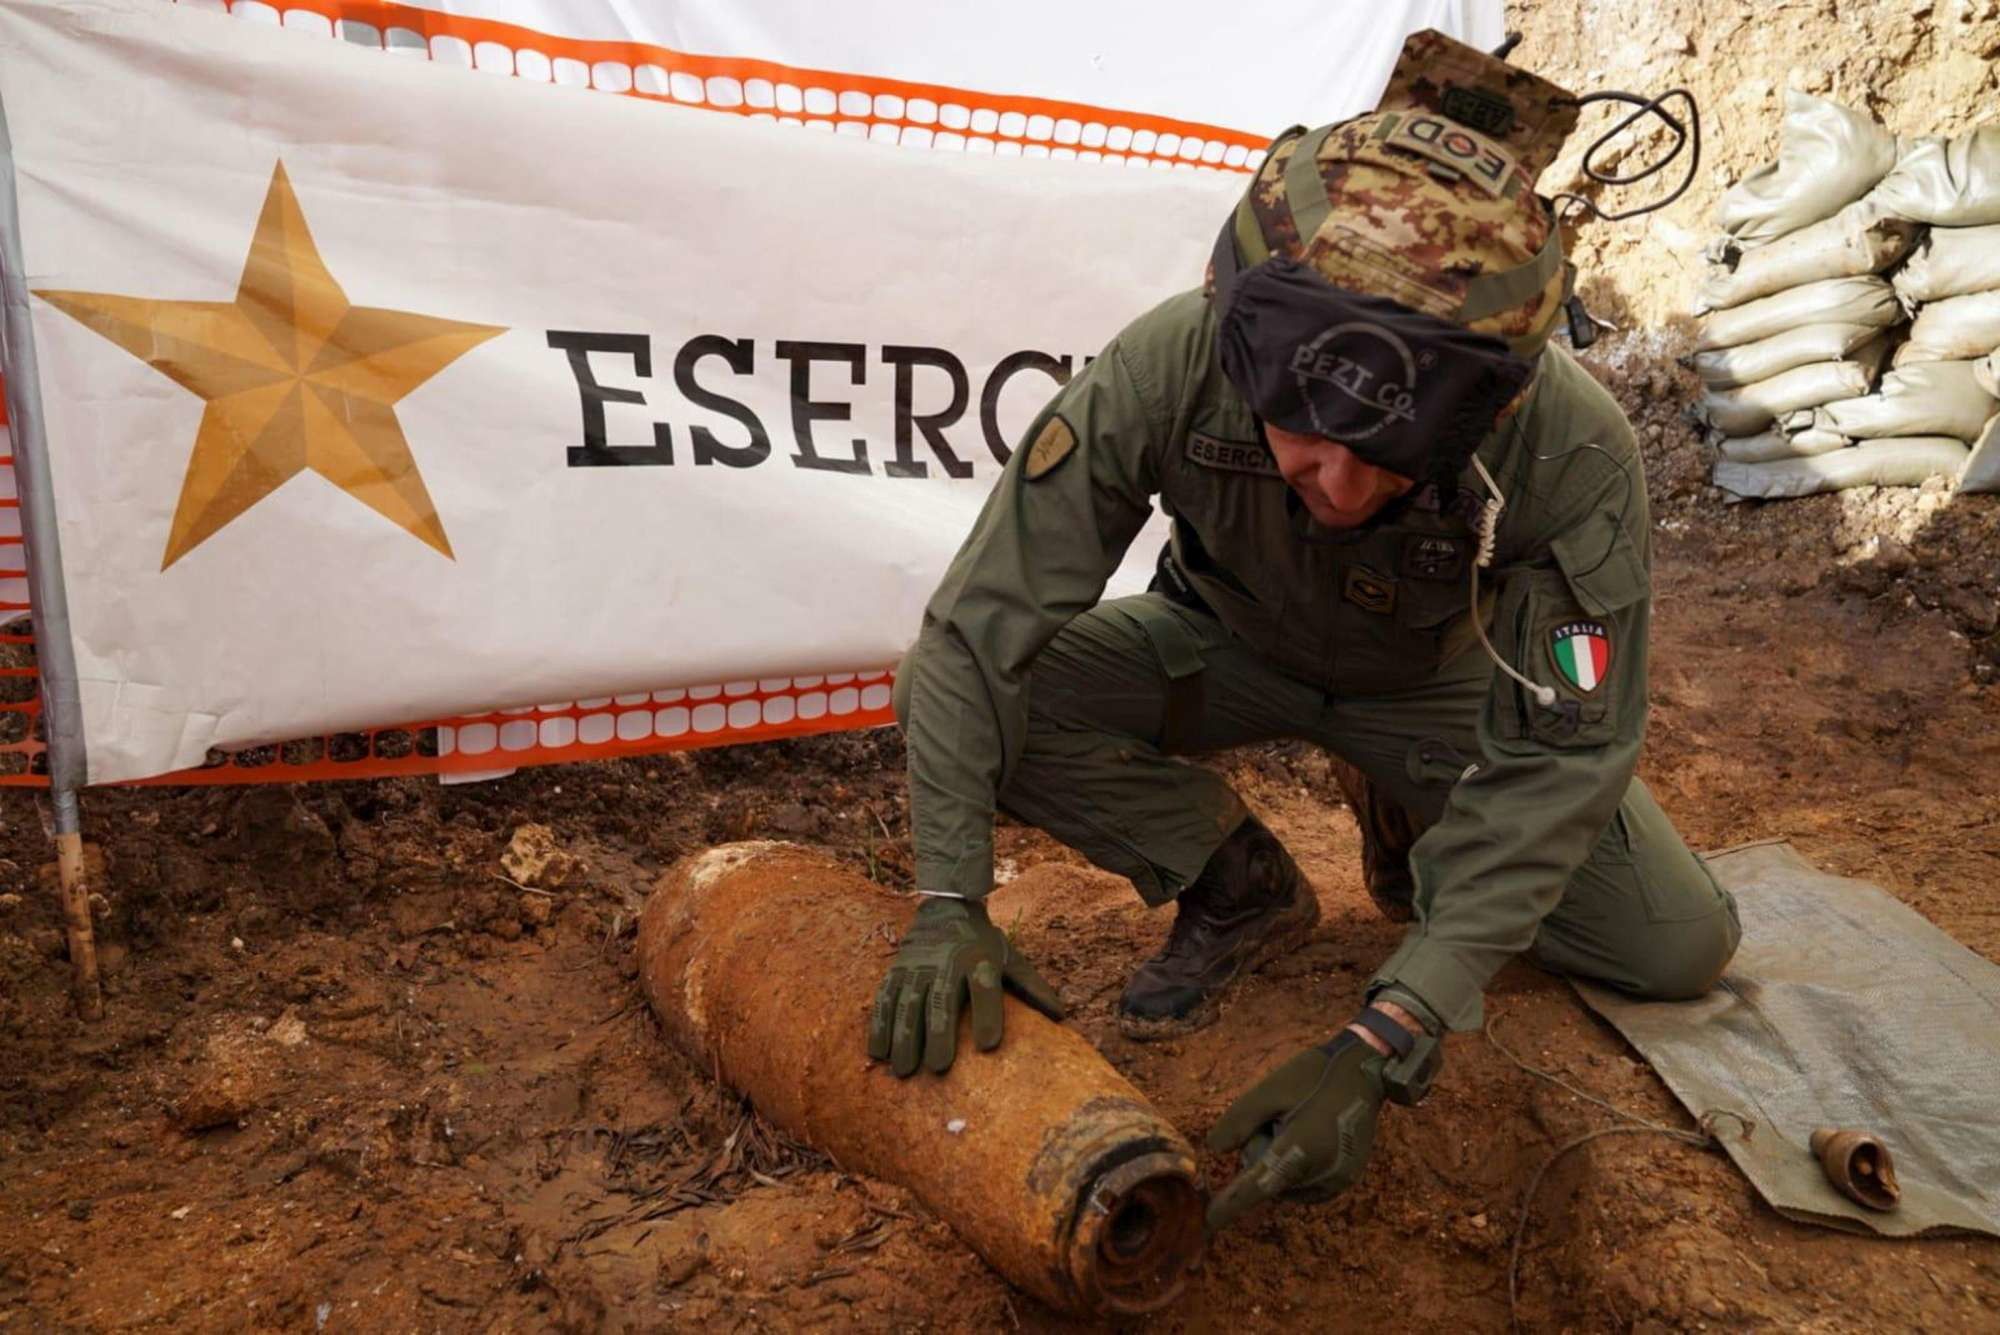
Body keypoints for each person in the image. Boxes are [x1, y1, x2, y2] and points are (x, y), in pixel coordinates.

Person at [868, 29, 1741, 1232]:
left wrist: (1393, 1026)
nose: (1331, 483)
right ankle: (1236, 881)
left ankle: (1404, 806)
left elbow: (1563, 756)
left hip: (1435, 692)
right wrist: (949, 899)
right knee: (947, 696)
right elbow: (978, 632)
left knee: (1674, 947)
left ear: (1483, 409)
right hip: (1220, 650)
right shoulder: (1170, 361)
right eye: (1297, 427)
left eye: (1385, 451)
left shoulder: (1568, 447)